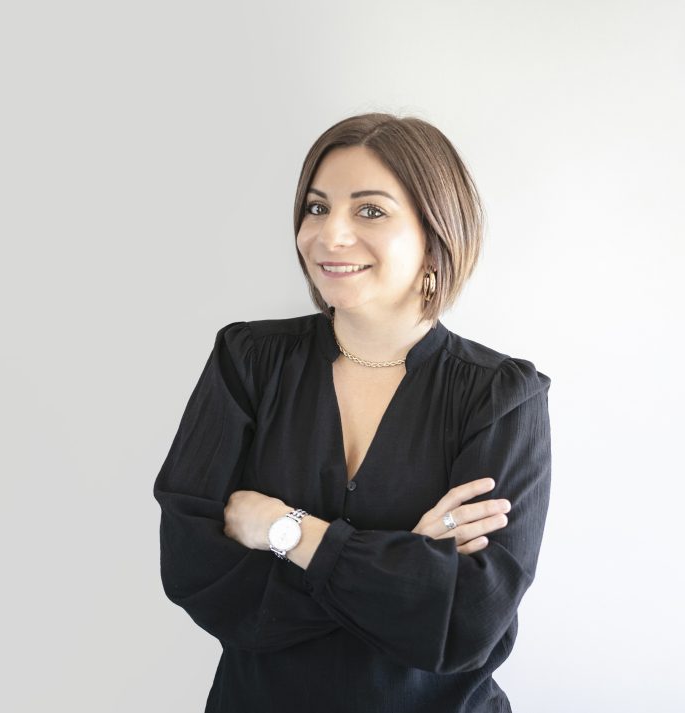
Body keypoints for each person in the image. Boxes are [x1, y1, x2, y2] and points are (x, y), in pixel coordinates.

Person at [152, 112, 552, 713]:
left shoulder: (500, 397)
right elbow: (194, 571)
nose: (328, 235)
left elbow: (466, 624)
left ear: (435, 234)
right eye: (317, 208)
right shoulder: (248, 360)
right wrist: (403, 568)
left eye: (369, 211)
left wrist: (286, 530)